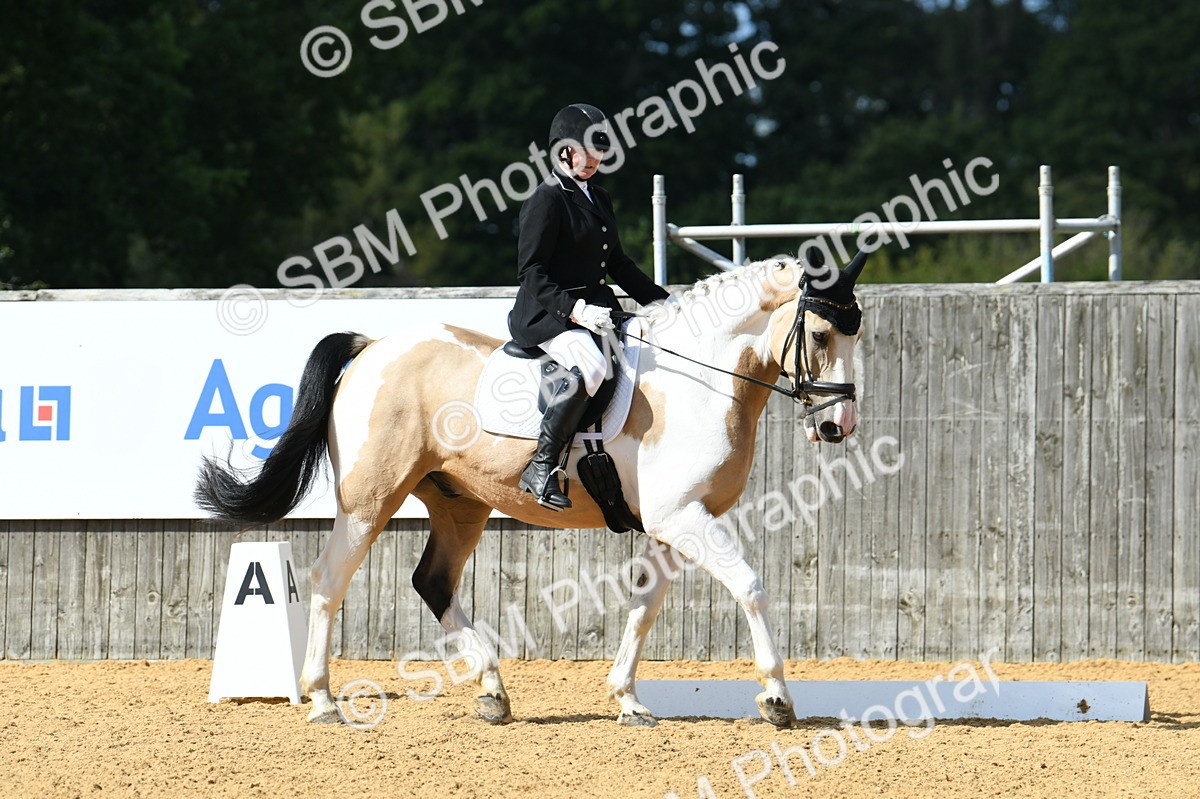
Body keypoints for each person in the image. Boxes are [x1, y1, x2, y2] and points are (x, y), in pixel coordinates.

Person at [508, 103, 670, 510]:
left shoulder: (598, 196)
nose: (597, 161)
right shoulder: (546, 199)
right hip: (548, 316)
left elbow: (617, 263)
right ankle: (541, 467)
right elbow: (531, 271)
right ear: (565, 151)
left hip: (597, 310)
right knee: (592, 368)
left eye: (600, 153)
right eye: (589, 152)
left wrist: (664, 303)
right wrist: (576, 311)